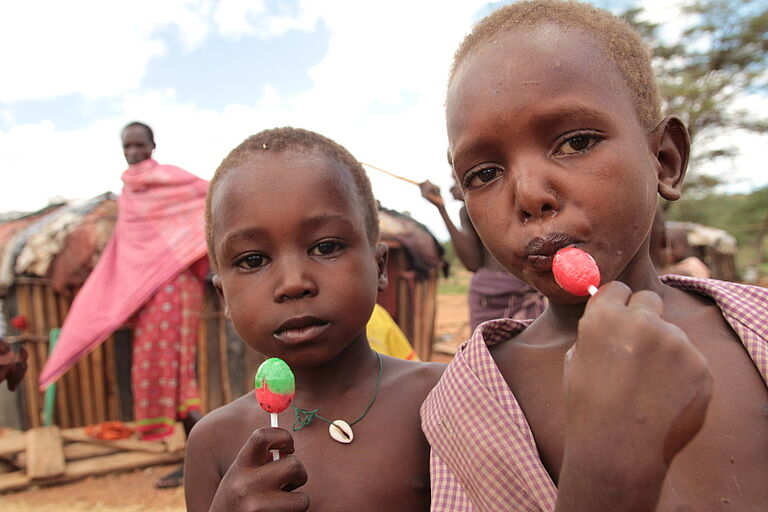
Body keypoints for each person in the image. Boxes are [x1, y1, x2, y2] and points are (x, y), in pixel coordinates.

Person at [421, 2, 768, 511]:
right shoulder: (467, 407)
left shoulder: (757, 329)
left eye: (576, 142)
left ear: (664, 161)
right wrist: (604, 480)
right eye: (484, 174)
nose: (530, 195)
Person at [184, 127, 445, 511]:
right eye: (253, 260)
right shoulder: (214, 441)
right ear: (223, 296)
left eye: (325, 247)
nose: (293, 284)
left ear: (379, 268)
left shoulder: (441, 398)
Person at [39, 121, 208, 489]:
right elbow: (130, 249)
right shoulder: (129, 193)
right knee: (167, 374)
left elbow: (211, 197)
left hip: (175, 287)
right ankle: (198, 458)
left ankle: (203, 460)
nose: (133, 153)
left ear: (153, 145)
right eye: (127, 147)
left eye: (139, 145)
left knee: (176, 374)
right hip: (150, 292)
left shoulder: (172, 180)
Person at [420, 164, 545, 331]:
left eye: (463, 178)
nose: (455, 185)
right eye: (454, 179)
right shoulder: (467, 212)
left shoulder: (522, 203)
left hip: (525, 290)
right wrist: (441, 208)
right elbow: (472, 263)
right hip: (487, 298)